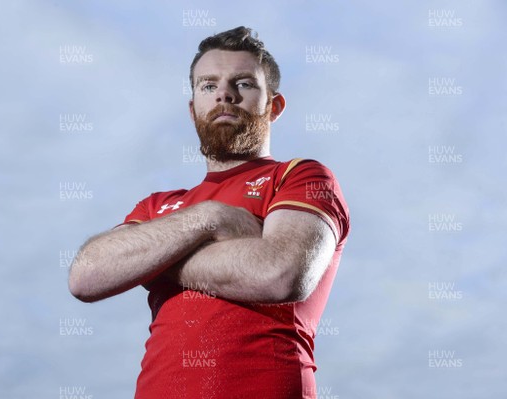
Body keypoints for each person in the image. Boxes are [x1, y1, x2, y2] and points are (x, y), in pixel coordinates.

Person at [69, 26, 350, 399]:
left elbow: (279, 273)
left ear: (274, 106)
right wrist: (209, 218)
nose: (224, 94)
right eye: (208, 85)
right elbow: (86, 275)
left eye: (244, 83)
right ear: (193, 109)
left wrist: (150, 260)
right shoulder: (157, 204)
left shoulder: (300, 176)